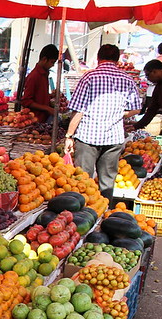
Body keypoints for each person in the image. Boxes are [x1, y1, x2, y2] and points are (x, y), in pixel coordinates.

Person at [65, 44, 141, 203]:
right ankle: (103, 212)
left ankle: (82, 213)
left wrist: (69, 135)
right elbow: (136, 109)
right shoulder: (127, 78)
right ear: (117, 59)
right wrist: (120, 114)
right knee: (107, 182)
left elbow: (78, 110)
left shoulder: (89, 77)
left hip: (88, 138)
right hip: (114, 139)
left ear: (98, 58)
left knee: (82, 180)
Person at [21, 44, 59, 123]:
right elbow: (26, 101)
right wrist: (47, 108)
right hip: (35, 120)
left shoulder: (44, 74)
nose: (52, 65)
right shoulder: (34, 76)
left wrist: (51, 96)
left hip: (44, 119)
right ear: (44, 59)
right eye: (52, 62)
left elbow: (39, 96)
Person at [134, 60, 162, 130]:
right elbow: (152, 109)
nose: (148, 79)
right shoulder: (158, 87)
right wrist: (136, 126)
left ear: (154, 71)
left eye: (148, 75)